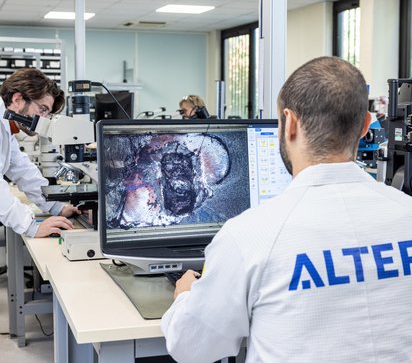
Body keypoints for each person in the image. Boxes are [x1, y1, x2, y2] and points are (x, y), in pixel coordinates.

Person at [161, 56, 412, 362]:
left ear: (289, 123)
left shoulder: (250, 235)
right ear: (364, 126)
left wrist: (185, 294)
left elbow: (191, 347)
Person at [0, 68, 80, 238]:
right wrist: (30, 226)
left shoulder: (6, 126)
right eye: (42, 110)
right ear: (17, 99)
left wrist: (56, 206)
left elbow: (22, 170)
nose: (43, 119)